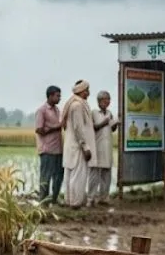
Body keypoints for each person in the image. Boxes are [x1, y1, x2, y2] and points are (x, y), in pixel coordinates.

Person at [60, 80, 95, 208]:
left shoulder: (75, 104)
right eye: (87, 90)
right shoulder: (77, 106)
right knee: (77, 175)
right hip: (78, 146)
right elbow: (78, 128)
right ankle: (75, 202)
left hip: (73, 145)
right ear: (81, 91)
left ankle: (70, 201)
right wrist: (85, 146)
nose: (89, 93)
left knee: (70, 175)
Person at [34, 85, 63, 201]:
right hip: (47, 150)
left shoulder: (57, 110)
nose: (59, 98)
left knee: (59, 176)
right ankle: (43, 200)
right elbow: (39, 130)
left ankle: (54, 199)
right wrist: (56, 127)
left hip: (58, 149)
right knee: (46, 176)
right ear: (50, 96)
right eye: (57, 96)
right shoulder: (41, 111)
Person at [89, 90, 118, 205]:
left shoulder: (109, 113)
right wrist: (104, 123)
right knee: (94, 173)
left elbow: (112, 129)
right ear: (99, 101)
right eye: (106, 99)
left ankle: (104, 197)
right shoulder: (94, 113)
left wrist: (115, 123)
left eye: (109, 99)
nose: (108, 102)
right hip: (97, 147)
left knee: (107, 173)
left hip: (107, 147)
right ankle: (91, 197)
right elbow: (92, 128)